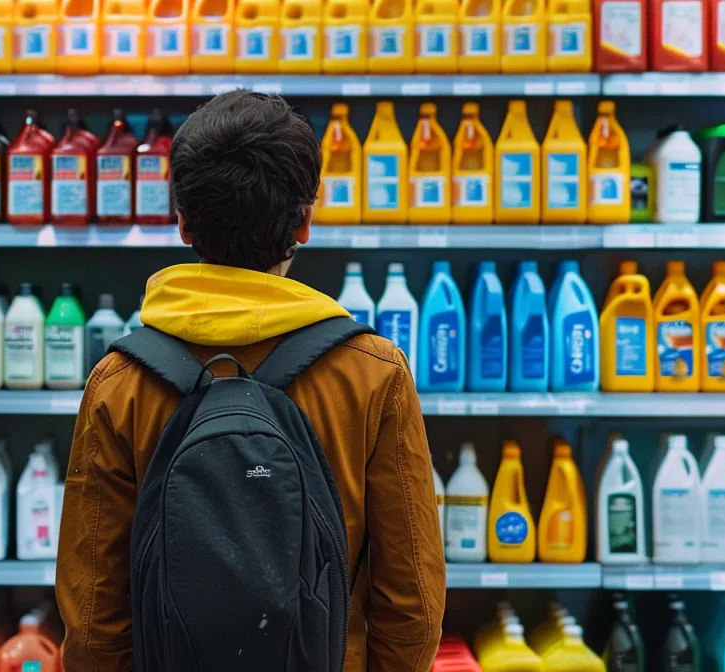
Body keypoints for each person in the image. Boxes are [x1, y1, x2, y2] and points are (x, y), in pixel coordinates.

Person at [56, 90, 446, 671]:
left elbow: (93, 621)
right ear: (306, 221)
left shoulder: (120, 382)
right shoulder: (372, 372)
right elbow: (412, 602)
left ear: (183, 221)